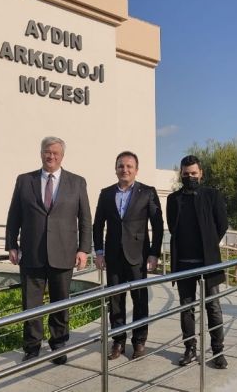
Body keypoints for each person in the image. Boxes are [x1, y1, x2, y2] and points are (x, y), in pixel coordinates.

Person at [5, 136, 92, 365]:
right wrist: (11, 244)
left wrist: (84, 249)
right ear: (41, 153)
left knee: (60, 302)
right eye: (47, 151)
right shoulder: (25, 180)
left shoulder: (77, 182)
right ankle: (32, 347)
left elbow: (85, 219)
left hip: (64, 252)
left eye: (55, 153)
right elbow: (14, 215)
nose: (51, 156)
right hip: (31, 253)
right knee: (31, 304)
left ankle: (59, 345)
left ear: (62, 156)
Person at [93, 151, 164, 360]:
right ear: (115, 169)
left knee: (140, 299)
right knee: (115, 300)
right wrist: (99, 252)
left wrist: (154, 253)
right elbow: (98, 225)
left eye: (129, 166)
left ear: (136, 170)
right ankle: (118, 341)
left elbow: (157, 225)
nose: (124, 169)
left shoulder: (147, 192)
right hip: (113, 256)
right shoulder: (106, 193)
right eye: (121, 166)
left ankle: (139, 341)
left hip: (138, 256)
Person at [166, 155, 229, 369]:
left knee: (213, 307)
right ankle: (190, 349)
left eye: (194, 173)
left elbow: (222, 224)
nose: (190, 177)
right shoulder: (173, 199)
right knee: (187, 308)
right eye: (186, 174)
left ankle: (218, 351)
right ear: (181, 174)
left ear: (201, 173)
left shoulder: (212, 195)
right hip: (184, 264)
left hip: (208, 263)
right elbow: (173, 227)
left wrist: (209, 244)